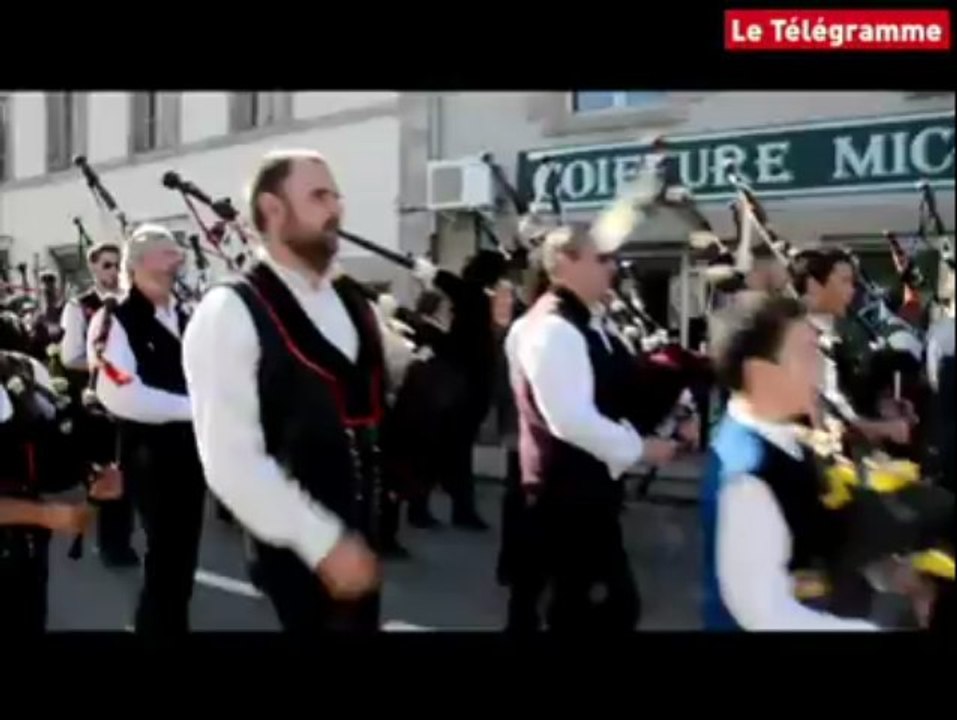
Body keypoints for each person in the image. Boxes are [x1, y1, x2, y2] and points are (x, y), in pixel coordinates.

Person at [183, 150, 381, 632]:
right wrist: (321, 541)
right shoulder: (230, 310)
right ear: (273, 210)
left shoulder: (349, 300)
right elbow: (230, 460)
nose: (335, 209)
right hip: (296, 544)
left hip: (359, 534)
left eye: (336, 196)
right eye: (318, 196)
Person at [506, 223, 680, 631]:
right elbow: (570, 418)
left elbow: (616, 390)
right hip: (561, 501)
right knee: (593, 612)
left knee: (605, 610)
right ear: (564, 263)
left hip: (589, 497)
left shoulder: (590, 323)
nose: (613, 269)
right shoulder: (551, 328)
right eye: (601, 259)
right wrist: (641, 448)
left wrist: (671, 412)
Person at [702, 292, 880, 631]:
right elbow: (766, 615)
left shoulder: (785, 440)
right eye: (807, 353)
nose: (820, 368)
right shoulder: (747, 478)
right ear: (760, 372)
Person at [88, 225, 205, 637]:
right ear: (138, 263)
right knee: (168, 559)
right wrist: (197, 409)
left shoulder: (189, 314)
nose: (179, 257)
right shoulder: (113, 319)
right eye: (167, 251)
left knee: (181, 558)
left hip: (193, 452)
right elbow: (120, 394)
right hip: (150, 455)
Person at [0, 313, 117, 633]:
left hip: (25, 550)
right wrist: (43, 515)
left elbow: (51, 444)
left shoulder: (20, 368)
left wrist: (92, 473)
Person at [58, 241, 137, 568]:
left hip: (134, 402)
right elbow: (70, 357)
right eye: (106, 265)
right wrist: (104, 363)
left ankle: (125, 538)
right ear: (93, 269)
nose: (113, 271)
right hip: (100, 404)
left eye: (118, 264)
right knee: (110, 475)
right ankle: (113, 545)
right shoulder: (80, 306)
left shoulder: (134, 301)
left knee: (132, 474)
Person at [790, 247, 910, 447]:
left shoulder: (844, 333)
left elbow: (848, 399)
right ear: (814, 286)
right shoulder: (798, 341)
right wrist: (885, 428)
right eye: (844, 281)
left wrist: (884, 407)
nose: (852, 290)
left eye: (853, 282)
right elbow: (824, 422)